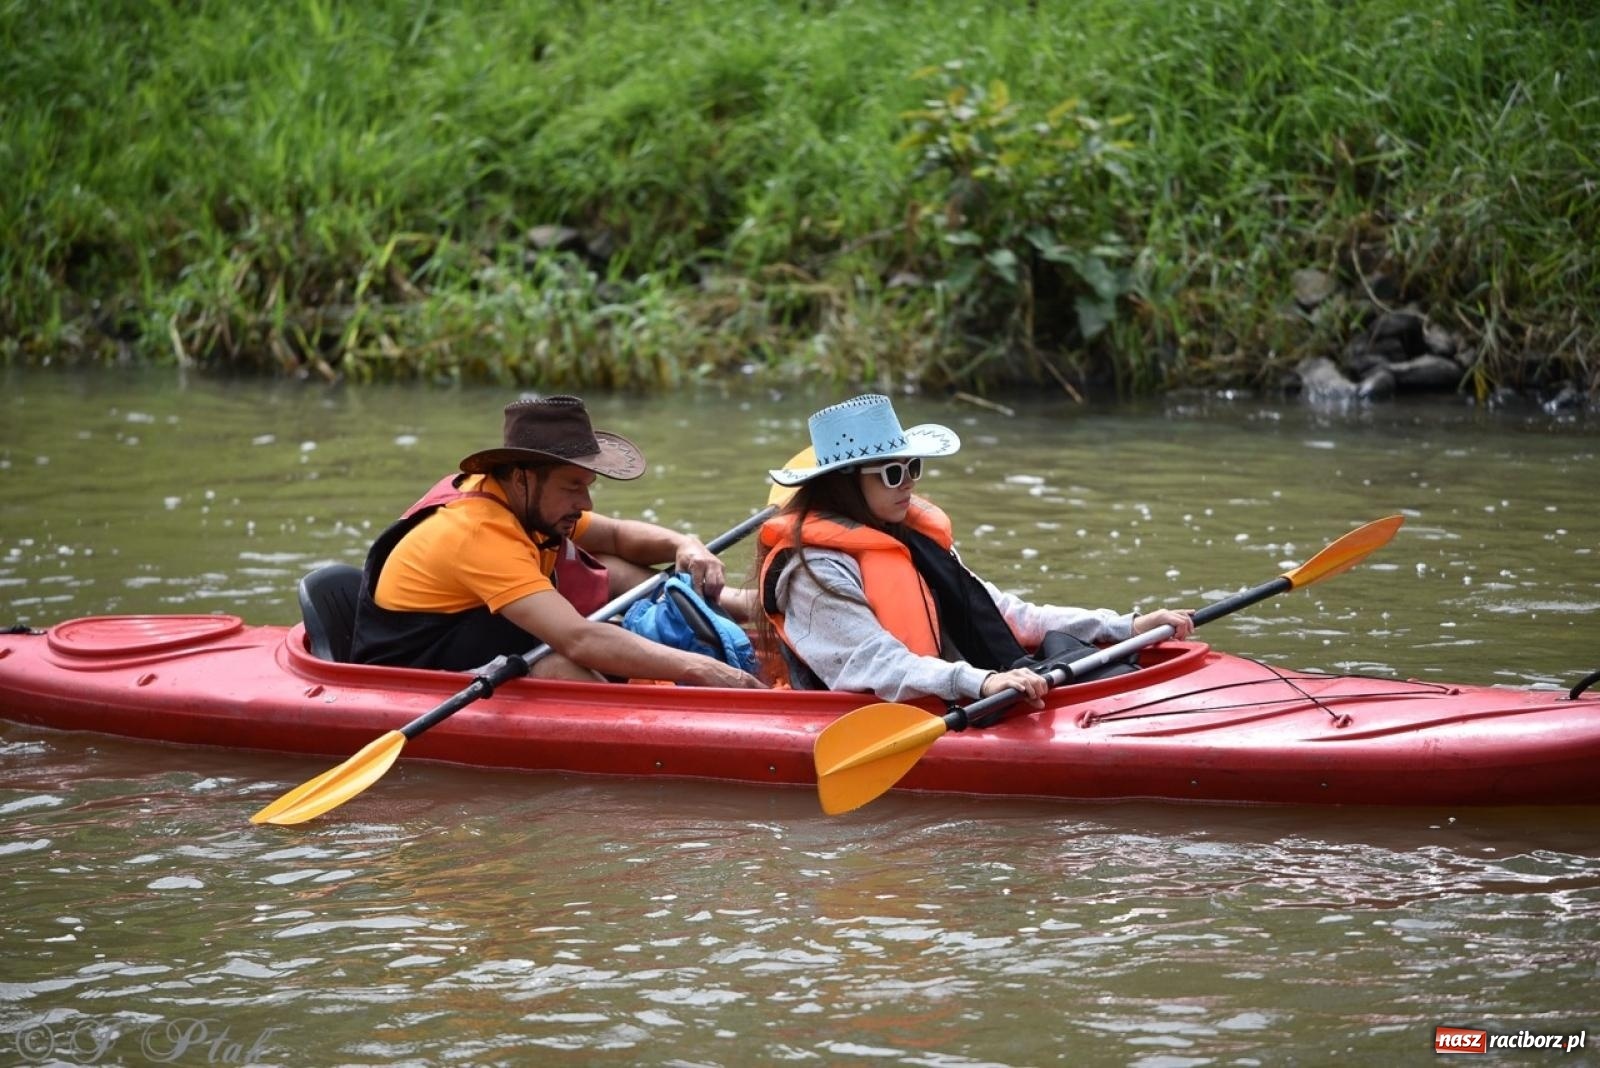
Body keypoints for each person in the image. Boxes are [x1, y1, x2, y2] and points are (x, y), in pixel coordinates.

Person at [756, 394, 1194, 706]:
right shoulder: (813, 570)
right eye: (891, 472)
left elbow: (1008, 614)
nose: (908, 481)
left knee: (1085, 656)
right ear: (844, 483)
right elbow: (876, 664)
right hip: (874, 713)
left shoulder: (907, 536)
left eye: (913, 466)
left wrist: (1125, 626)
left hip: (954, 688)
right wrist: (980, 683)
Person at [350, 395, 765, 688]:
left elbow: (618, 536)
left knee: (602, 560)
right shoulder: (478, 531)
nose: (584, 502)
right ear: (522, 478)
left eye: (587, 486)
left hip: (483, 629)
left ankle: (738, 605)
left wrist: (684, 543)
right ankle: (632, 722)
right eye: (572, 487)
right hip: (414, 673)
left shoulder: (520, 499)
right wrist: (701, 670)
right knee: (559, 663)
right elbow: (577, 639)